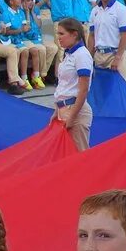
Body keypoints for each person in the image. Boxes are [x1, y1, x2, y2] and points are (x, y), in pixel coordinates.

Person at [52, 17, 93, 152]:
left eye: (62, 34)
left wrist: (72, 116)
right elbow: (64, 85)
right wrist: (57, 111)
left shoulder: (81, 55)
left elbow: (83, 89)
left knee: (79, 155)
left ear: (74, 34)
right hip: (65, 108)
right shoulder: (69, 54)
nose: (59, 37)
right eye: (58, 33)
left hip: (74, 109)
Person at [88, 0, 126, 82]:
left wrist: (117, 58)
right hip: (99, 56)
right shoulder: (94, 11)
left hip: (115, 54)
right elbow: (92, 36)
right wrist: (89, 57)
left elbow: (125, 35)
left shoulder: (121, 10)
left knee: (118, 92)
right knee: (102, 94)